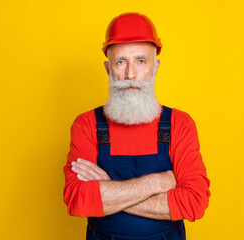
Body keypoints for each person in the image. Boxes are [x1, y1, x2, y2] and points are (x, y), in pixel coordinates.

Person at [63, 12, 210, 240]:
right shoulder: (87, 125)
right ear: (108, 69)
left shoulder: (179, 124)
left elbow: (193, 203)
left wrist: (107, 189)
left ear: (155, 67)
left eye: (141, 61)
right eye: (120, 62)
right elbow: (77, 200)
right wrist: (157, 182)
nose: (130, 74)